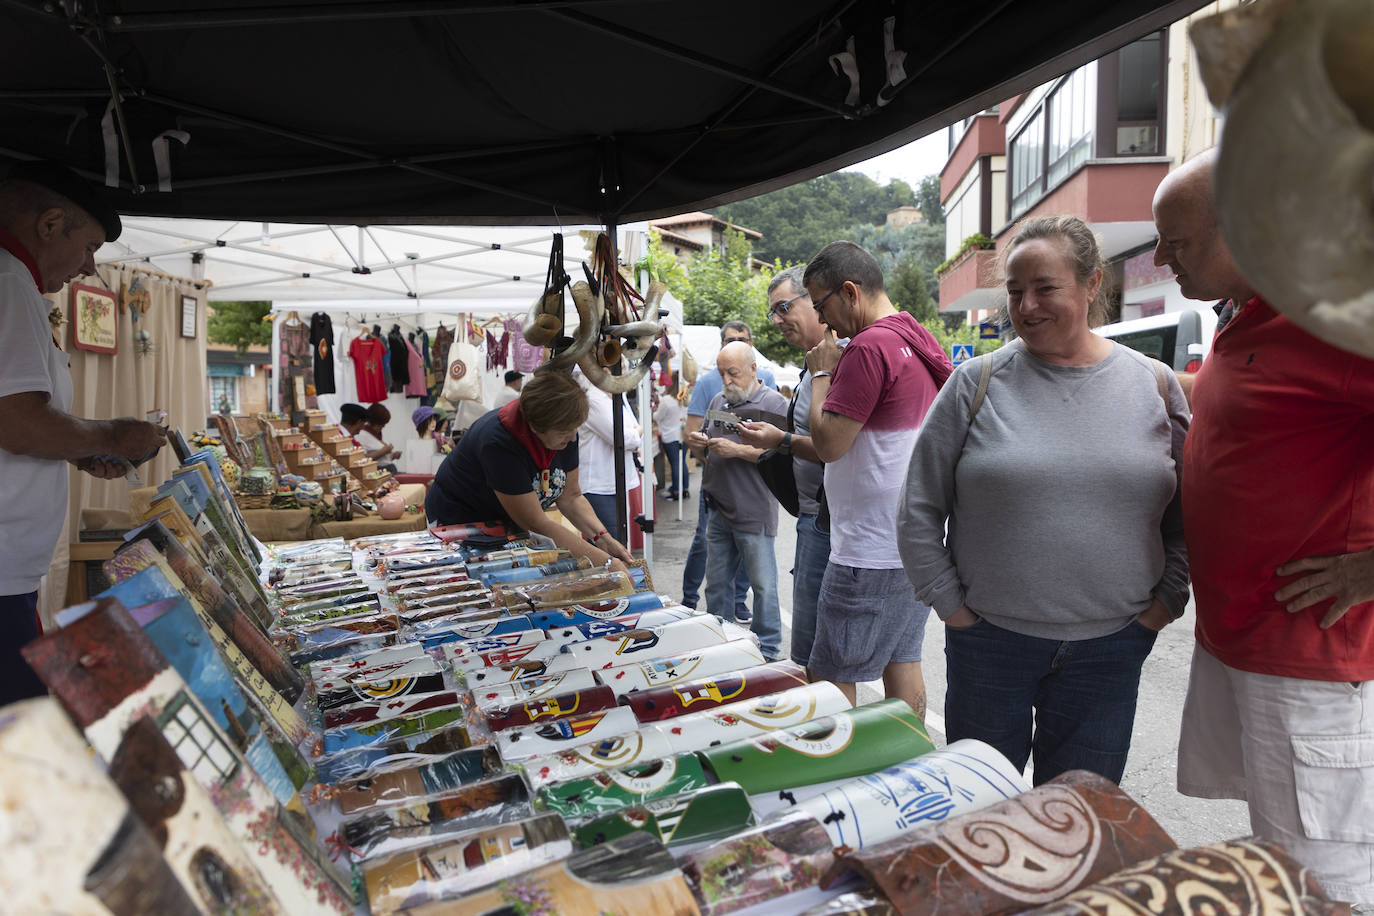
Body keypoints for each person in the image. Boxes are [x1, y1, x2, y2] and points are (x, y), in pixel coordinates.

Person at [1154, 150, 1374, 910]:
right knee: (1282, 855)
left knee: (1324, 879)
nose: (1160, 259)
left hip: (1309, 652)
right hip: (1247, 640)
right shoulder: (1251, 311)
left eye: (1176, 242)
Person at [897, 216, 1188, 783]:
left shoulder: (1154, 384)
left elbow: (1186, 516)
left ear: (1092, 283)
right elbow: (917, 508)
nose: (1026, 306)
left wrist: (1165, 603)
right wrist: (952, 609)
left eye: (1045, 288)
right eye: (1014, 291)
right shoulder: (974, 384)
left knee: (1079, 821)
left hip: (1112, 648)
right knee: (983, 817)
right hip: (989, 644)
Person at [0, 160, 166, 704]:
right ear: (50, 225)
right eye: (88, 246)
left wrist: (80, 447)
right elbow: (18, 422)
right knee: (25, 741)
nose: (89, 267)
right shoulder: (7, 279)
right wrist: (112, 436)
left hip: (11, 574)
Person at [803, 241, 950, 716]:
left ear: (849, 292)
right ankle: (907, 765)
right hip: (913, 540)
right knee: (902, 661)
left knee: (830, 676)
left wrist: (821, 374)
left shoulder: (868, 346)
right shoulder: (915, 337)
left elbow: (830, 444)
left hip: (867, 549)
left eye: (821, 305)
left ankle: (840, 779)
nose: (823, 322)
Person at [426, 368, 634, 573]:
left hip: (504, 522)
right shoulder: (498, 442)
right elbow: (535, 521)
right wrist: (604, 562)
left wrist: (605, 540)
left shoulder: (565, 429)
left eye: (575, 429)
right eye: (564, 432)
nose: (572, 438)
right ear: (535, 427)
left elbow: (571, 497)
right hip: (461, 521)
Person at [737, 265, 831, 666]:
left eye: (783, 307)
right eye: (772, 312)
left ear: (813, 300)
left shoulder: (832, 362)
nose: (776, 320)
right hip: (815, 515)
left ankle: (822, 725)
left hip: (826, 520)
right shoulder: (813, 364)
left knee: (812, 651)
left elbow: (835, 444)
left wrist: (782, 441)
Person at [687, 342, 788, 660]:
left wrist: (737, 451)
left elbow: (783, 456)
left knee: (763, 586)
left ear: (753, 369)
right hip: (718, 507)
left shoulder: (774, 404)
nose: (727, 380)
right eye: (722, 374)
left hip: (754, 509)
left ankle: (768, 649)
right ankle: (721, 642)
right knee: (716, 584)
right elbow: (703, 448)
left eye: (733, 373)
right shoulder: (719, 400)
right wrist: (698, 444)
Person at [681, 321, 775, 616]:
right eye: (730, 339)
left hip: (752, 495)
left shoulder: (769, 388)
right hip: (718, 494)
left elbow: (776, 445)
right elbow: (695, 431)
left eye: (742, 339)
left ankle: (745, 612)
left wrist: (738, 451)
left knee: (756, 567)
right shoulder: (711, 388)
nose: (727, 379)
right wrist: (705, 451)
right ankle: (695, 606)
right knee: (710, 559)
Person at [575, 369, 641, 541]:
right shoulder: (593, 400)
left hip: (613, 481)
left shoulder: (617, 396)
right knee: (611, 543)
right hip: (599, 485)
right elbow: (624, 438)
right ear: (606, 371)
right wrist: (636, 433)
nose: (627, 373)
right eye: (624, 368)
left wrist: (635, 434)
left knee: (618, 539)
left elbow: (633, 430)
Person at [340, 402, 399, 471]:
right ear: (359, 422)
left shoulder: (350, 436)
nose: (362, 428)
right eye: (363, 424)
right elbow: (362, 458)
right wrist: (383, 452)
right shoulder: (341, 438)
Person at [655, 378, 686, 500]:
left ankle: (676, 491)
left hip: (669, 435)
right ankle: (683, 489)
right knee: (680, 463)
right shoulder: (682, 399)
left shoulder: (667, 400)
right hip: (681, 434)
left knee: (675, 464)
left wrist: (653, 413)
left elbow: (658, 416)